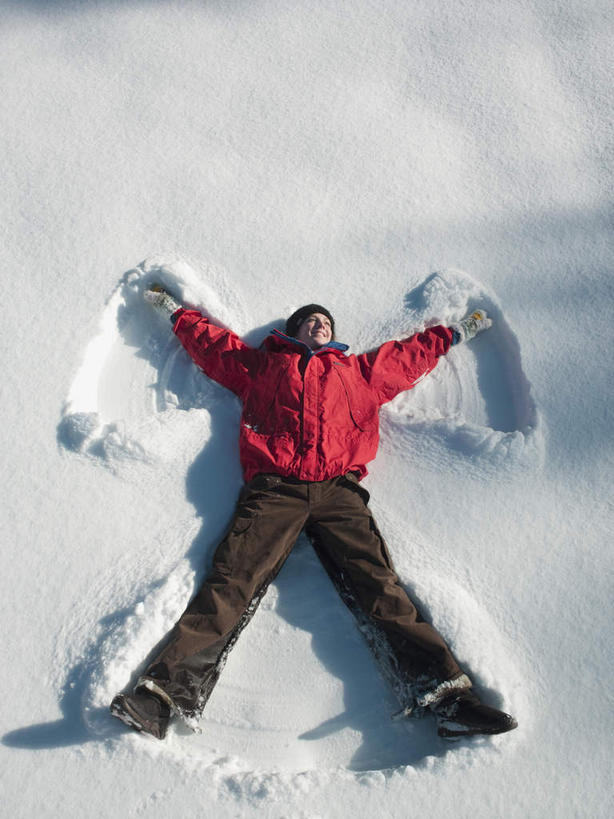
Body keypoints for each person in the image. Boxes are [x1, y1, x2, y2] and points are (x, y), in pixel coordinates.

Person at [110, 287, 518, 741]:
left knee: (379, 586)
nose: (319, 324)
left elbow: (410, 356)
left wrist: (458, 331)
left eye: (325, 321)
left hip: (339, 491)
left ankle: (449, 701)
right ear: (293, 332)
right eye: (310, 320)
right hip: (275, 490)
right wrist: (176, 312)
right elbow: (215, 348)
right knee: (232, 583)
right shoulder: (264, 366)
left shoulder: (359, 372)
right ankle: (161, 699)